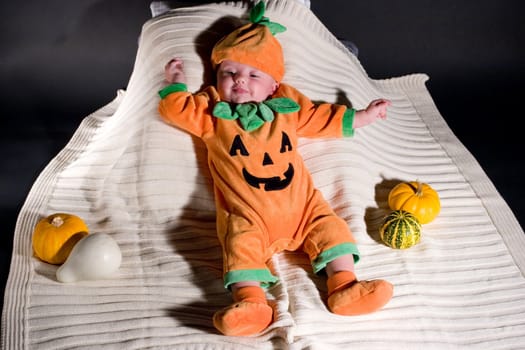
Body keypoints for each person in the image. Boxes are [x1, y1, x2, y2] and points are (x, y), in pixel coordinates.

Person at [158, 1, 393, 337]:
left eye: (254, 75)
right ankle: (251, 301)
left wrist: (364, 115)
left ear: (273, 85)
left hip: (303, 208)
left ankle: (344, 285)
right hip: (248, 214)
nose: (240, 82)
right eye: (230, 73)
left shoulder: (287, 106)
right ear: (217, 77)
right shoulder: (213, 114)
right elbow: (176, 110)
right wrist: (176, 82)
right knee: (239, 244)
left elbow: (321, 118)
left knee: (332, 227)